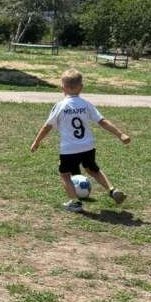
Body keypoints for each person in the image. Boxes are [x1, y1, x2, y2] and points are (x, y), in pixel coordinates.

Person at [30, 69, 130, 212]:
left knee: (64, 175)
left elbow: (47, 127)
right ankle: (112, 190)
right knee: (93, 170)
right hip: (88, 146)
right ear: (81, 87)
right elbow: (102, 121)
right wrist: (120, 134)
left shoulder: (60, 106)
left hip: (69, 149)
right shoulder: (86, 104)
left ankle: (75, 202)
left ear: (62, 88)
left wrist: (37, 142)